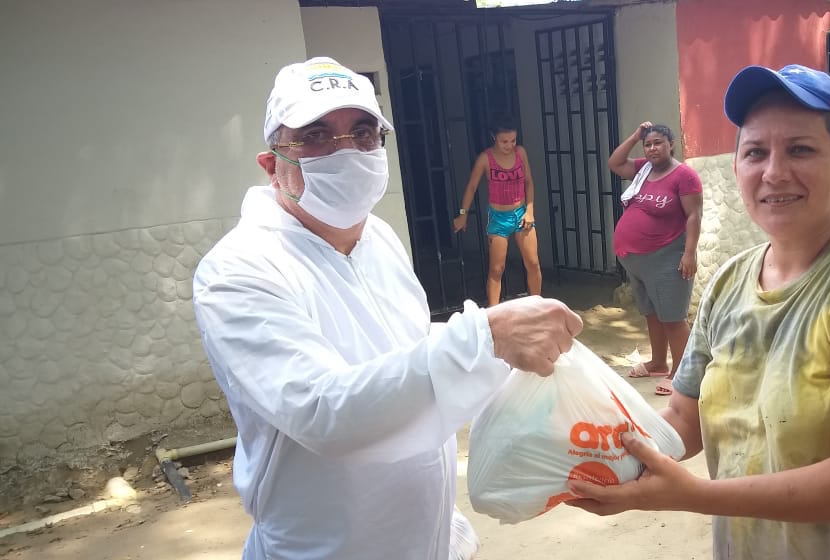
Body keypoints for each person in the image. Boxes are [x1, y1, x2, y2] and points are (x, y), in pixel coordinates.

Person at [192, 57, 582, 560]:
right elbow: (323, 412)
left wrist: (449, 534)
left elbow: (409, 360)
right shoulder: (240, 270)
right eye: (315, 136)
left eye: (363, 132)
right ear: (272, 166)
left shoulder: (378, 237)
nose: (346, 152)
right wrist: (486, 336)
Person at [568, 64, 830, 559]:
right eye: (755, 152)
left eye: (800, 149)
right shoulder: (731, 282)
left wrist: (692, 496)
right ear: (736, 169)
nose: (774, 172)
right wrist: (592, 450)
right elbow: (683, 422)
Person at [608, 122, 703, 396]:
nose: (652, 149)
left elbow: (694, 215)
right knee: (651, 313)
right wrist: (636, 134)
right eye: (648, 144)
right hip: (637, 261)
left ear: (671, 144)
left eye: (658, 143)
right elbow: (615, 163)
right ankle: (659, 363)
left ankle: (682, 375)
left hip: (666, 257)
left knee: (673, 317)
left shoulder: (684, 176)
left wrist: (689, 252)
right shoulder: (643, 169)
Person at [452, 118, 542, 307]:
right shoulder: (485, 158)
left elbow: (529, 182)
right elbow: (471, 187)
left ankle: (538, 307)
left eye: (513, 140)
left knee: (533, 263)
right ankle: (493, 315)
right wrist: (463, 214)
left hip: (521, 214)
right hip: (498, 218)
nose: (509, 145)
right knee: (496, 270)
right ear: (494, 137)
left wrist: (530, 211)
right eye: (504, 141)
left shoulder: (521, 153)